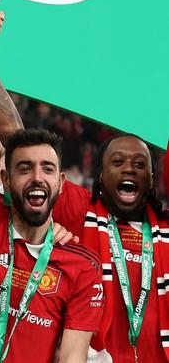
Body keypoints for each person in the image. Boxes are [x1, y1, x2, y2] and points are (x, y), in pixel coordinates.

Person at [0, 115, 103, 362]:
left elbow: (73, 356)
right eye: (25, 168)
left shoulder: (82, 266)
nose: (37, 177)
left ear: (61, 183)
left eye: (47, 169)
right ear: (6, 180)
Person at [51, 133, 169, 362]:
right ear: (101, 176)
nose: (129, 169)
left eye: (139, 164)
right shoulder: (81, 212)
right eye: (117, 162)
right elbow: (25, 152)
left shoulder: (165, 228)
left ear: (152, 179)